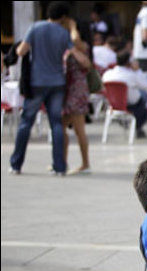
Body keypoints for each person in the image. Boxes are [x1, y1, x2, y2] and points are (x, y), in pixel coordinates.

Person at [8, 1, 79, 176]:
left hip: (36, 81)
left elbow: (21, 52)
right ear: (63, 17)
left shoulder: (35, 27)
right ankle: (60, 166)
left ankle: (16, 164)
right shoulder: (63, 33)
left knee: (26, 122)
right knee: (56, 124)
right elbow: (72, 51)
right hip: (57, 82)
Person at [62, 23, 92, 175]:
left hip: (77, 93)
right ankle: (62, 161)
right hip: (66, 91)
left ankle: (85, 163)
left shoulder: (80, 48)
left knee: (79, 130)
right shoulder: (62, 46)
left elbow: (87, 64)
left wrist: (73, 27)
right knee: (61, 128)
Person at [102, 50, 147, 138]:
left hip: (113, 105)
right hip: (132, 105)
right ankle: (138, 126)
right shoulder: (131, 75)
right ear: (129, 62)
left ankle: (135, 126)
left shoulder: (107, 74)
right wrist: (137, 70)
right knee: (144, 95)